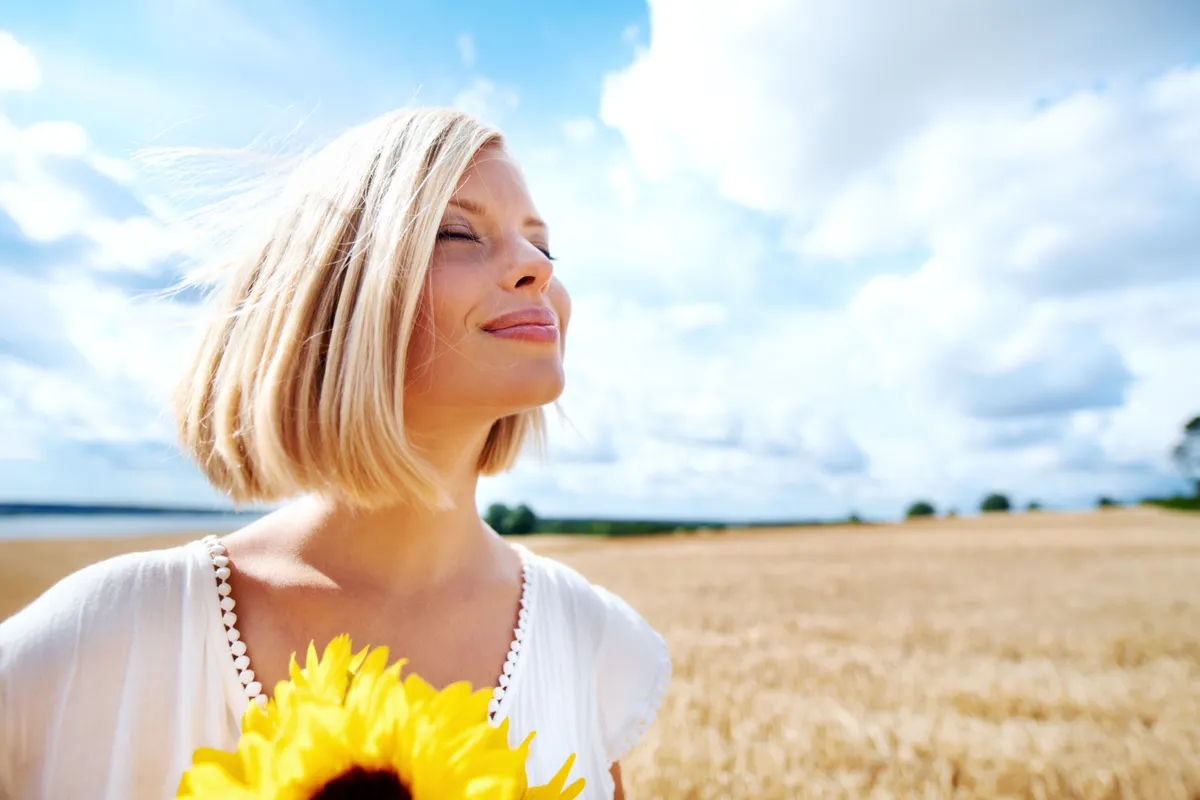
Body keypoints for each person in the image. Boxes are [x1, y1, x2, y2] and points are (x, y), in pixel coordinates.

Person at [0, 108, 670, 799]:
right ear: (337, 298)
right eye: (459, 232)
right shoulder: (102, 636)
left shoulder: (589, 645)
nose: (536, 266)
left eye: (544, 248)